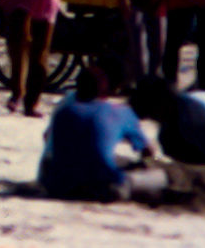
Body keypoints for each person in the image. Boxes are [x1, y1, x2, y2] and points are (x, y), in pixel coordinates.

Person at [38, 65, 155, 202]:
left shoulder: (64, 109)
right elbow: (148, 150)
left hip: (57, 186)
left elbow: (47, 136)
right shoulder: (120, 112)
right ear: (106, 92)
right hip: (102, 186)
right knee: (156, 173)